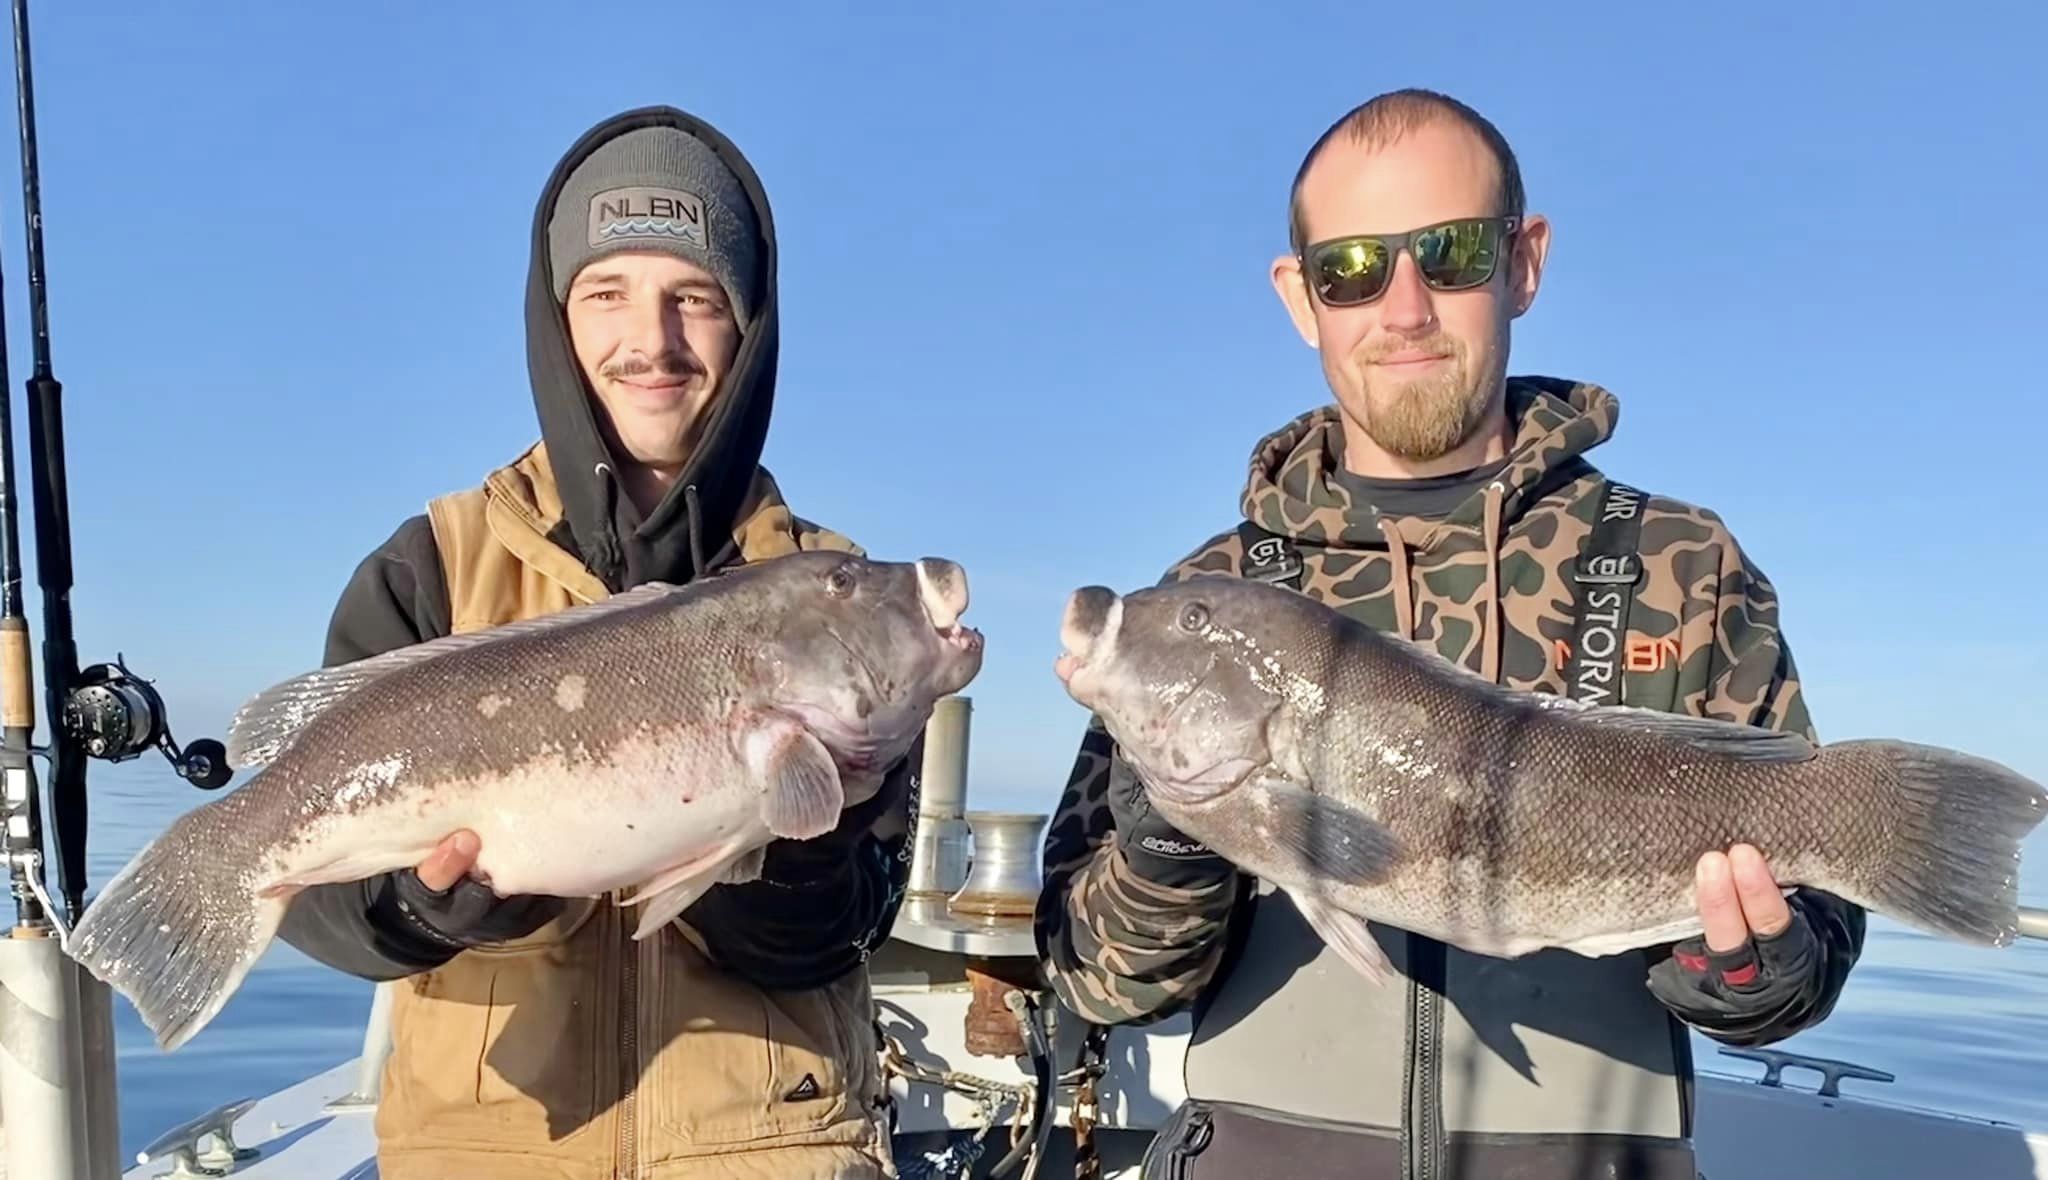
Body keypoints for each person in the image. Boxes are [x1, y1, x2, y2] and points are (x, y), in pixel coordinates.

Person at [1033, 88, 1865, 1180]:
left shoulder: (1681, 562)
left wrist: (1757, 966)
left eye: (1453, 252)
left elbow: (1812, 930)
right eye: (1352, 268)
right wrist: (1164, 847)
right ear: (1300, 297)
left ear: (1522, 262)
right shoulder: (1211, 593)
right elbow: (1093, 979)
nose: (1406, 305)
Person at [277, 105, 912, 1180]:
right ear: (554, 318)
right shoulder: (426, 566)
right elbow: (316, 898)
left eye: (694, 299)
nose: (650, 342)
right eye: (606, 293)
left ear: (748, 330)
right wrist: (426, 908)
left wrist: (769, 847)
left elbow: (849, 926)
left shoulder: (835, 590)